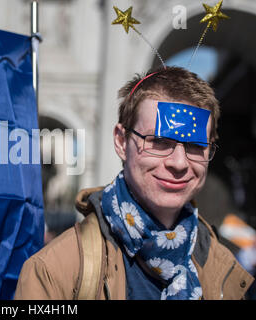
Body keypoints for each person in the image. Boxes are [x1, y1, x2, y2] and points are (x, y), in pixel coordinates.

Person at [14, 66, 254, 300]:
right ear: (121, 141)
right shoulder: (54, 273)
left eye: (195, 146)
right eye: (159, 141)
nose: (179, 163)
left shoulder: (230, 275)